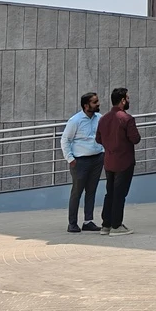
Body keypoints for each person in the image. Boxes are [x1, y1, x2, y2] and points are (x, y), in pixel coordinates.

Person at [96, 87, 141, 236]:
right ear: (122, 100)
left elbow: (98, 138)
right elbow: (135, 139)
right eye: (127, 98)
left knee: (110, 193)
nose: (128, 100)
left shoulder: (104, 118)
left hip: (109, 161)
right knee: (119, 194)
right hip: (124, 161)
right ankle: (116, 225)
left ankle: (106, 224)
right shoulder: (127, 118)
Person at [60, 92, 104, 233]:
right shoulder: (75, 120)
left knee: (91, 191)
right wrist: (70, 159)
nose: (98, 104)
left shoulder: (99, 118)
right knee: (77, 192)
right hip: (80, 161)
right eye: (94, 102)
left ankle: (88, 221)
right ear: (86, 106)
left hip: (97, 159)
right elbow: (65, 140)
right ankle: (72, 223)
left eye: (97, 101)